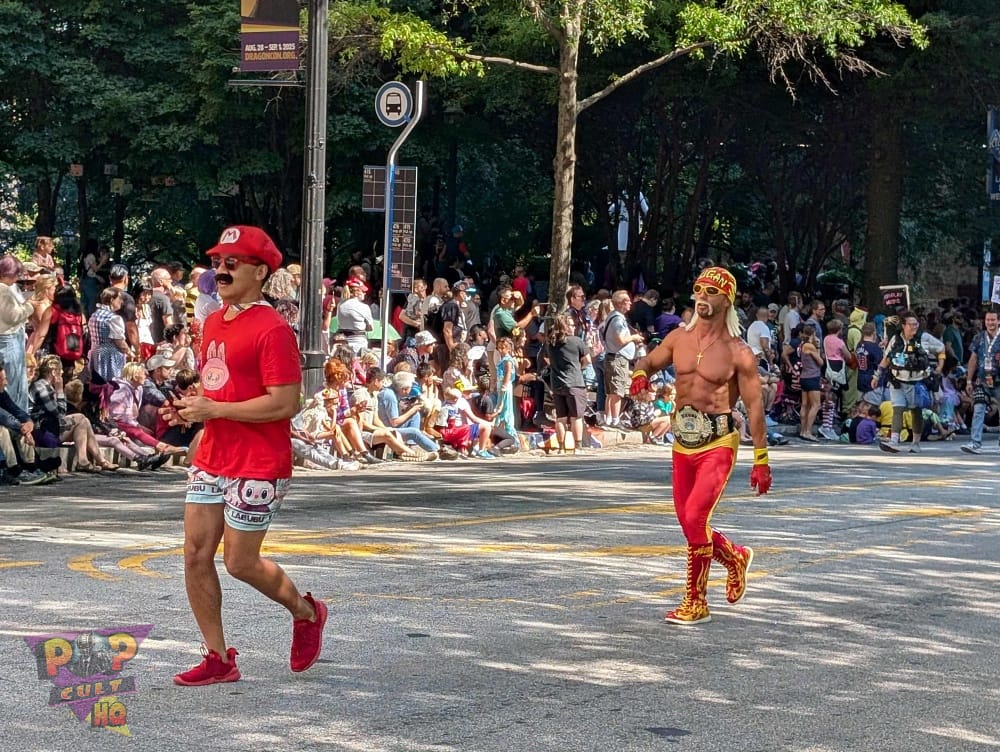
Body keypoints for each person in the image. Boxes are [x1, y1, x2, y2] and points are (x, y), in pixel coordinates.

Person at [162, 226, 326, 686]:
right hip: (214, 453)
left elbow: (284, 403)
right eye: (217, 261)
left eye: (232, 262)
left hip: (259, 461)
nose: (221, 269)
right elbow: (220, 387)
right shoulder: (213, 322)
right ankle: (218, 658)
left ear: (260, 271)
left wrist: (214, 408)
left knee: (239, 562)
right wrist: (193, 410)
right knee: (195, 555)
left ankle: (307, 612)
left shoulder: (273, 329)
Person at [630, 267, 771, 626]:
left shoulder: (740, 353)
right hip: (682, 443)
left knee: (696, 517)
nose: (702, 296)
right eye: (698, 289)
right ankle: (735, 557)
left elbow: (755, 408)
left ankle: (696, 602)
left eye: (711, 291)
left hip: (719, 442)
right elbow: (648, 359)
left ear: (727, 299)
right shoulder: (679, 338)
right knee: (690, 524)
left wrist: (761, 460)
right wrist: (640, 375)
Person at [874, 310, 945, 454]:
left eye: (916, 324)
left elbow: (941, 348)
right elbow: (886, 358)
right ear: (903, 325)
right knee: (898, 409)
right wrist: (877, 376)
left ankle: (915, 443)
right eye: (911, 324)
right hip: (897, 380)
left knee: (915, 411)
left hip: (916, 382)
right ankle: (894, 441)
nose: (914, 327)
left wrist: (939, 366)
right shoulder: (896, 339)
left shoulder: (924, 337)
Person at [961, 309, 1000, 454]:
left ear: (998, 321)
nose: (990, 323)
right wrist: (969, 380)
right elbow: (973, 359)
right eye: (988, 320)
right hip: (982, 380)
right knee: (978, 409)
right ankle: (975, 442)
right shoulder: (979, 338)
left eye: (993, 320)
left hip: (999, 380)